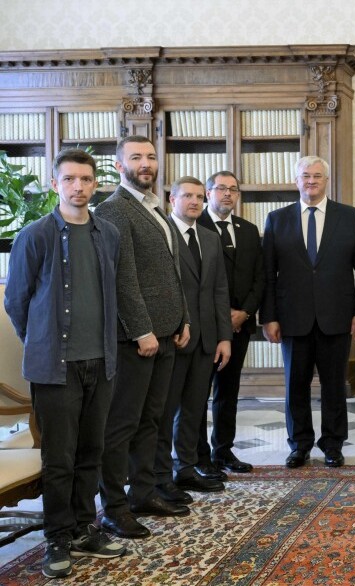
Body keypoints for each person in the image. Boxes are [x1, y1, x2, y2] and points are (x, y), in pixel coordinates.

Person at [3, 148, 126, 578]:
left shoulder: (108, 234)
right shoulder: (35, 236)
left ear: (96, 185)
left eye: (86, 179)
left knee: (91, 451)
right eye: (69, 179)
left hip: (101, 361)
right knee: (60, 457)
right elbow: (16, 302)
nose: (78, 187)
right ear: (55, 184)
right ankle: (56, 536)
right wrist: (41, 341)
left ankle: (83, 528)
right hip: (55, 367)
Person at [95, 136, 192, 539]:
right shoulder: (114, 209)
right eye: (136, 157)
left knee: (153, 419)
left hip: (167, 334)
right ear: (119, 166)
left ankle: (144, 493)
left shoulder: (155, 207)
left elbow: (170, 272)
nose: (146, 163)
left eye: (151, 156)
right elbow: (123, 277)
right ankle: (114, 508)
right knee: (122, 424)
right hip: (136, 339)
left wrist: (183, 319)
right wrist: (141, 330)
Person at [261, 156, 355, 469]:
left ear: (326, 180)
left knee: (334, 386)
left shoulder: (349, 217)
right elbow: (268, 274)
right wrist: (269, 317)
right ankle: (299, 445)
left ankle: (333, 444)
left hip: (337, 316)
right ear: (296, 180)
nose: (311, 181)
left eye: (317, 176)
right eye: (305, 176)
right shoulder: (277, 219)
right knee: (295, 386)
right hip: (291, 318)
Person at [153, 177, 233, 504]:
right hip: (174, 338)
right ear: (172, 200)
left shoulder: (210, 238)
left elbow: (219, 290)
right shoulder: (162, 234)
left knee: (194, 410)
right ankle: (160, 477)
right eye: (187, 196)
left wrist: (224, 337)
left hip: (205, 340)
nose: (195, 202)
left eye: (200, 196)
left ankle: (185, 468)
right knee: (164, 412)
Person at [195, 171, 264, 475]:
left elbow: (260, 277)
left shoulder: (248, 230)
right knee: (197, 394)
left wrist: (245, 312)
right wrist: (223, 317)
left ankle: (223, 451)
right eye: (221, 188)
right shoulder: (196, 225)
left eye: (233, 189)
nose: (227, 194)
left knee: (228, 391)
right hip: (206, 325)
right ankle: (197, 456)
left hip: (240, 325)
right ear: (208, 193)